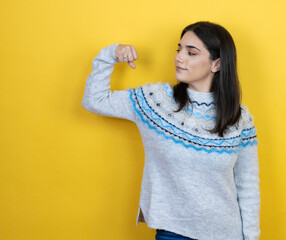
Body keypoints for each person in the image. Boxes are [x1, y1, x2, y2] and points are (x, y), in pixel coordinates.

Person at [81, 21, 260, 240]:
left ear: (217, 64)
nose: (179, 57)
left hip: (227, 233)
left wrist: (251, 237)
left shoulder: (240, 118)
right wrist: (111, 54)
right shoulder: (155, 102)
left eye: (191, 52)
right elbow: (94, 100)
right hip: (173, 233)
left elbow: (247, 185)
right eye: (179, 49)